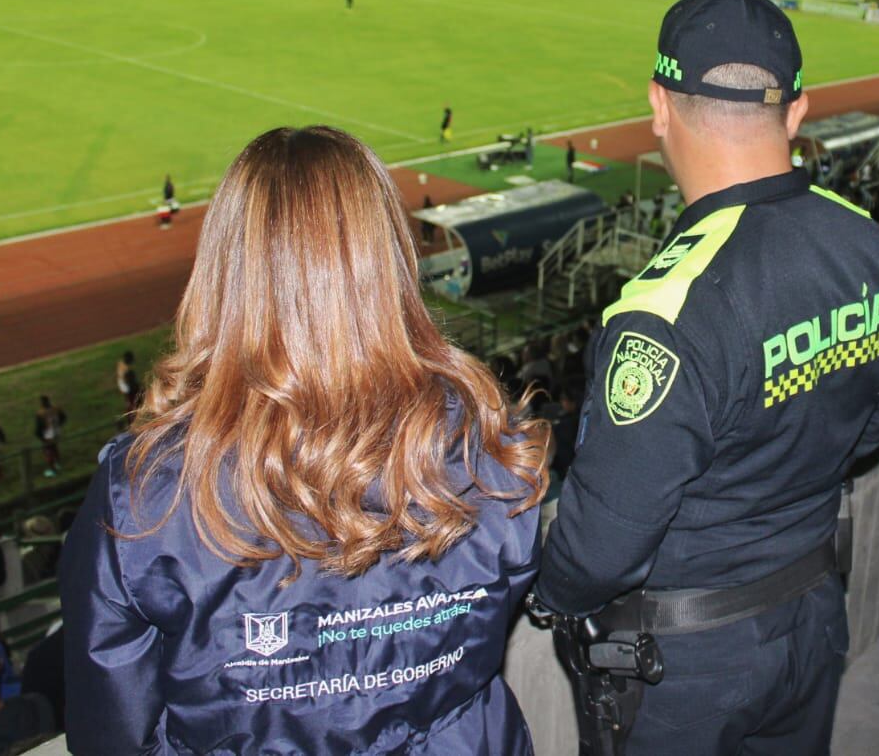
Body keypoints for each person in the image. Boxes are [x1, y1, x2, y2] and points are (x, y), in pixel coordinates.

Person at [60, 126, 548, 755]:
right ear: (389, 259)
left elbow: (111, 734)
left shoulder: (147, 494)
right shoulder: (488, 449)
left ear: (227, 268)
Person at [532, 0, 879, 754]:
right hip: (811, 614)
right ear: (796, 112)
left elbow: (602, 543)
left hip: (685, 667)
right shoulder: (870, 247)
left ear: (659, 106)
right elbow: (872, 431)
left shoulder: (666, 309)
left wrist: (550, 593)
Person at [31, 397, 64, 478]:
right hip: (56, 432)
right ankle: (58, 464)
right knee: (55, 448)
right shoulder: (55, 409)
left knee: (48, 452)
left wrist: (40, 436)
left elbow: (39, 428)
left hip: (47, 435)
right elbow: (63, 418)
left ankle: (52, 470)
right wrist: (58, 425)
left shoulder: (41, 413)